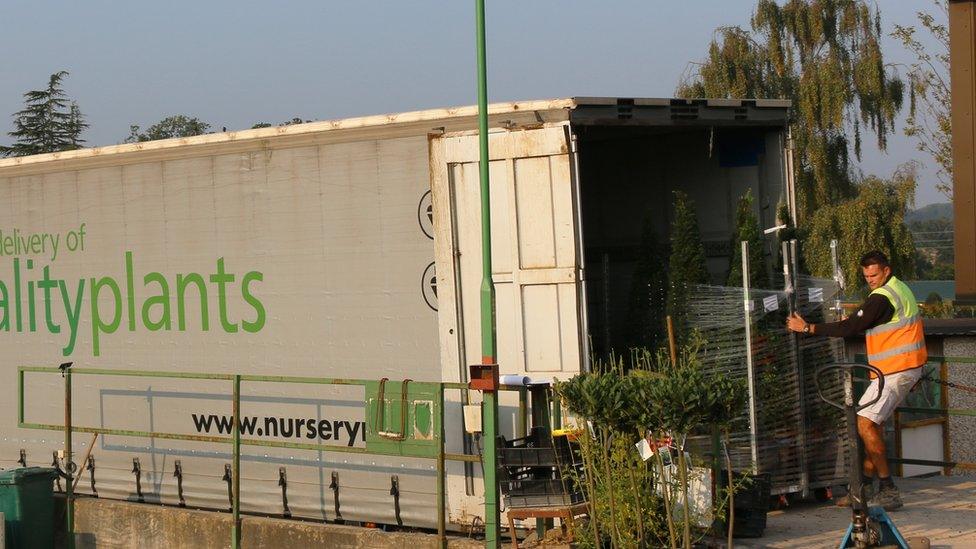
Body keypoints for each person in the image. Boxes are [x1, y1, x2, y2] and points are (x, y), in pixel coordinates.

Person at [786, 250, 926, 511]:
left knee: (865, 424)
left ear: (886, 270)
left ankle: (887, 489)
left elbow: (849, 329)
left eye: (874, 274)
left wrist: (807, 328)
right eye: (866, 276)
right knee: (869, 424)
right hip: (900, 368)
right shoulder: (899, 288)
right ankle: (860, 489)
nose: (870, 279)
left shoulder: (881, 298)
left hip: (897, 370)